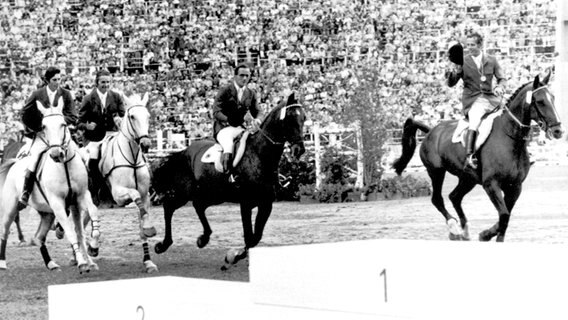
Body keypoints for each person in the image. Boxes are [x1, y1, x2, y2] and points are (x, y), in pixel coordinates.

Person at [18, 66, 77, 210]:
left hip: (61, 133)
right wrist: (38, 127)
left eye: (59, 79)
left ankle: (84, 187)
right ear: (47, 80)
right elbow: (24, 113)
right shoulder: (37, 94)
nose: (57, 83)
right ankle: (26, 191)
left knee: (79, 154)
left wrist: (59, 122)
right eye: (54, 80)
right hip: (43, 134)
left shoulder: (66, 94)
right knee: (34, 159)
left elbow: (73, 115)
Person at [446, 32, 507, 169]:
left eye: (472, 45)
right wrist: (456, 71)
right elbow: (451, 83)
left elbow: (502, 78)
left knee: (512, 116)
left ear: (480, 45)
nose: (469, 48)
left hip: (491, 98)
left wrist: (499, 86)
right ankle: (470, 156)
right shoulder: (463, 60)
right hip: (473, 99)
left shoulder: (491, 60)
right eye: (467, 45)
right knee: (474, 122)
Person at [77, 69, 125, 200]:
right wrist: (87, 126)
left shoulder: (116, 96)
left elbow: (123, 115)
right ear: (97, 83)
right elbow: (79, 122)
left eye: (108, 82)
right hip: (94, 137)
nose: (106, 85)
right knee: (94, 158)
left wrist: (120, 120)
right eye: (103, 82)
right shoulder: (88, 99)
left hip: (112, 134)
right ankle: (96, 189)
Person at [212, 63, 263, 173]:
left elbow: (258, 110)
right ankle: (228, 173)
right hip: (224, 128)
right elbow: (216, 112)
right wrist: (228, 120)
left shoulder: (251, 93)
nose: (244, 78)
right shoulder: (225, 91)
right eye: (241, 75)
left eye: (247, 76)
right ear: (235, 76)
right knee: (228, 145)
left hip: (241, 128)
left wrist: (258, 119)